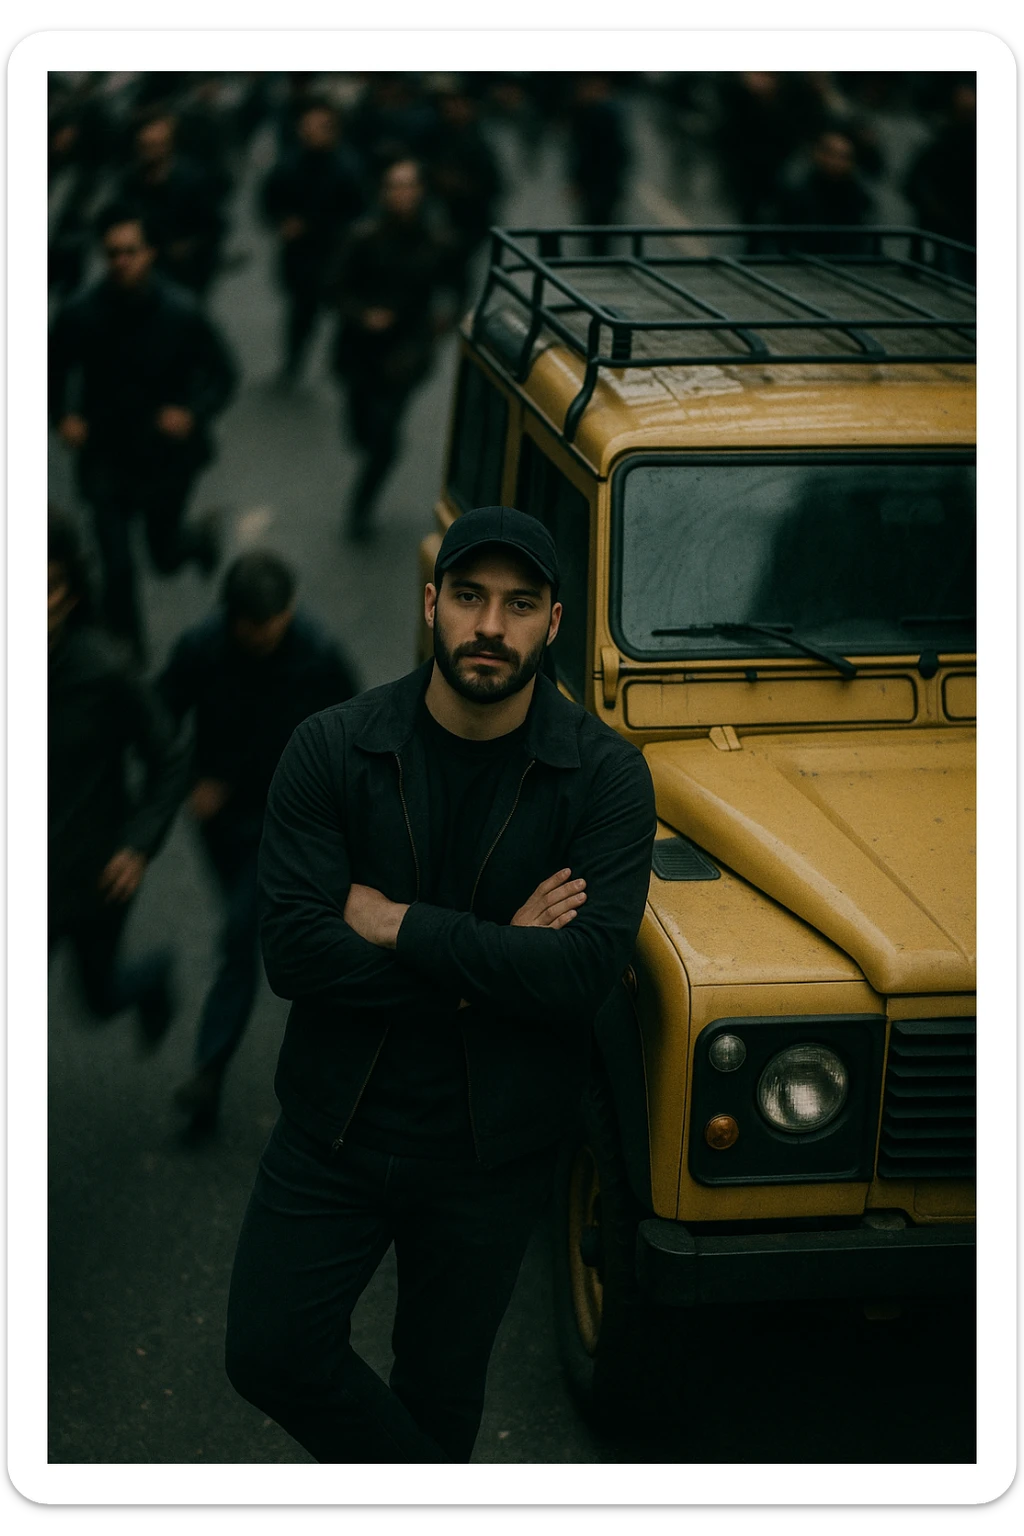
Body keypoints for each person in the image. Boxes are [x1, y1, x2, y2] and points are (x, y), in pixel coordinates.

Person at [224, 505, 657, 1463]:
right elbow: (294, 953)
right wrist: (493, 962)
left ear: (553, 621)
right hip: (333, 1128)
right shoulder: (333, 748)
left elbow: (581, 972)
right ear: (432, 603)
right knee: (269, 1351)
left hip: (487, 1156)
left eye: (518, 603)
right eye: (469, 597)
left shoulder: (606, 781)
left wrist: (397, 924)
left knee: (441, 1390)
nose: (490, 626)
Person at [156, 551, 360, 1141]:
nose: (269, 634)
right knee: (258, 935)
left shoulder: (317, 656)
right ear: (235, 620)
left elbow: (354, 732)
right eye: (257, 626)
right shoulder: (201, 649)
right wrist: (192, 775)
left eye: (278, 621)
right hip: (221, 825)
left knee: (240, 934)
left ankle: (209, 1073)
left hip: (287, 825)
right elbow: (157, 716)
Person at [48, 205, 238, 661]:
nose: (121, 261)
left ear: (149, 253)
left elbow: (224, 374)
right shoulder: (79, 315)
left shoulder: (182, 312)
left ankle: (196, 542)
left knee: (164, 554)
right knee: (116, 566)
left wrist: (193, 412)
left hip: (164, 458)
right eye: (112, 252)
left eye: (130, 251)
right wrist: (61, 417)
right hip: (105, 454)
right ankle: (132, 656)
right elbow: (48, 373)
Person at [48, 507, 186, 1049]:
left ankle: (151, 983)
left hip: (91, 877)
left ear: (69, 598)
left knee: (99, 997)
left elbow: (170, 757)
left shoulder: (105, 672)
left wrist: (136, 846)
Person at [329, 158, 456, 542]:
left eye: (408, 186)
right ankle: (373, 445)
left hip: (406, 352)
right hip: (358, 351)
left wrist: (443, 321)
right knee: (360, 430)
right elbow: (334, 287)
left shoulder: (435, 241)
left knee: (384, 437)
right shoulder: (362, 238)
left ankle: (360, 508)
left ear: (420, 192)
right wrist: (361, 315)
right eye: (394, 186)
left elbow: (455, 286)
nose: (402, 194)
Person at [260, 97, 366, 385]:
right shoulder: (289, 164)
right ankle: (295, 360)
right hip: (300, 255)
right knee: (301, 309)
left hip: (334, 252)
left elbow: (357, 213)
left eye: (318, 127)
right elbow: (269, 199)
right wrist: (282, 222)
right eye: (306, 126)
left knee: (337, 308)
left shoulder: (348, 169)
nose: (310, 132)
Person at [116, 111, 226, 296]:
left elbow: (214, 225)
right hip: (145, 267)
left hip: (185, 271)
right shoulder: (130, 182)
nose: (150, 152)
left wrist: (190, 247)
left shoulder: (193, 179)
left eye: (156, 145)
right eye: (145, 146)